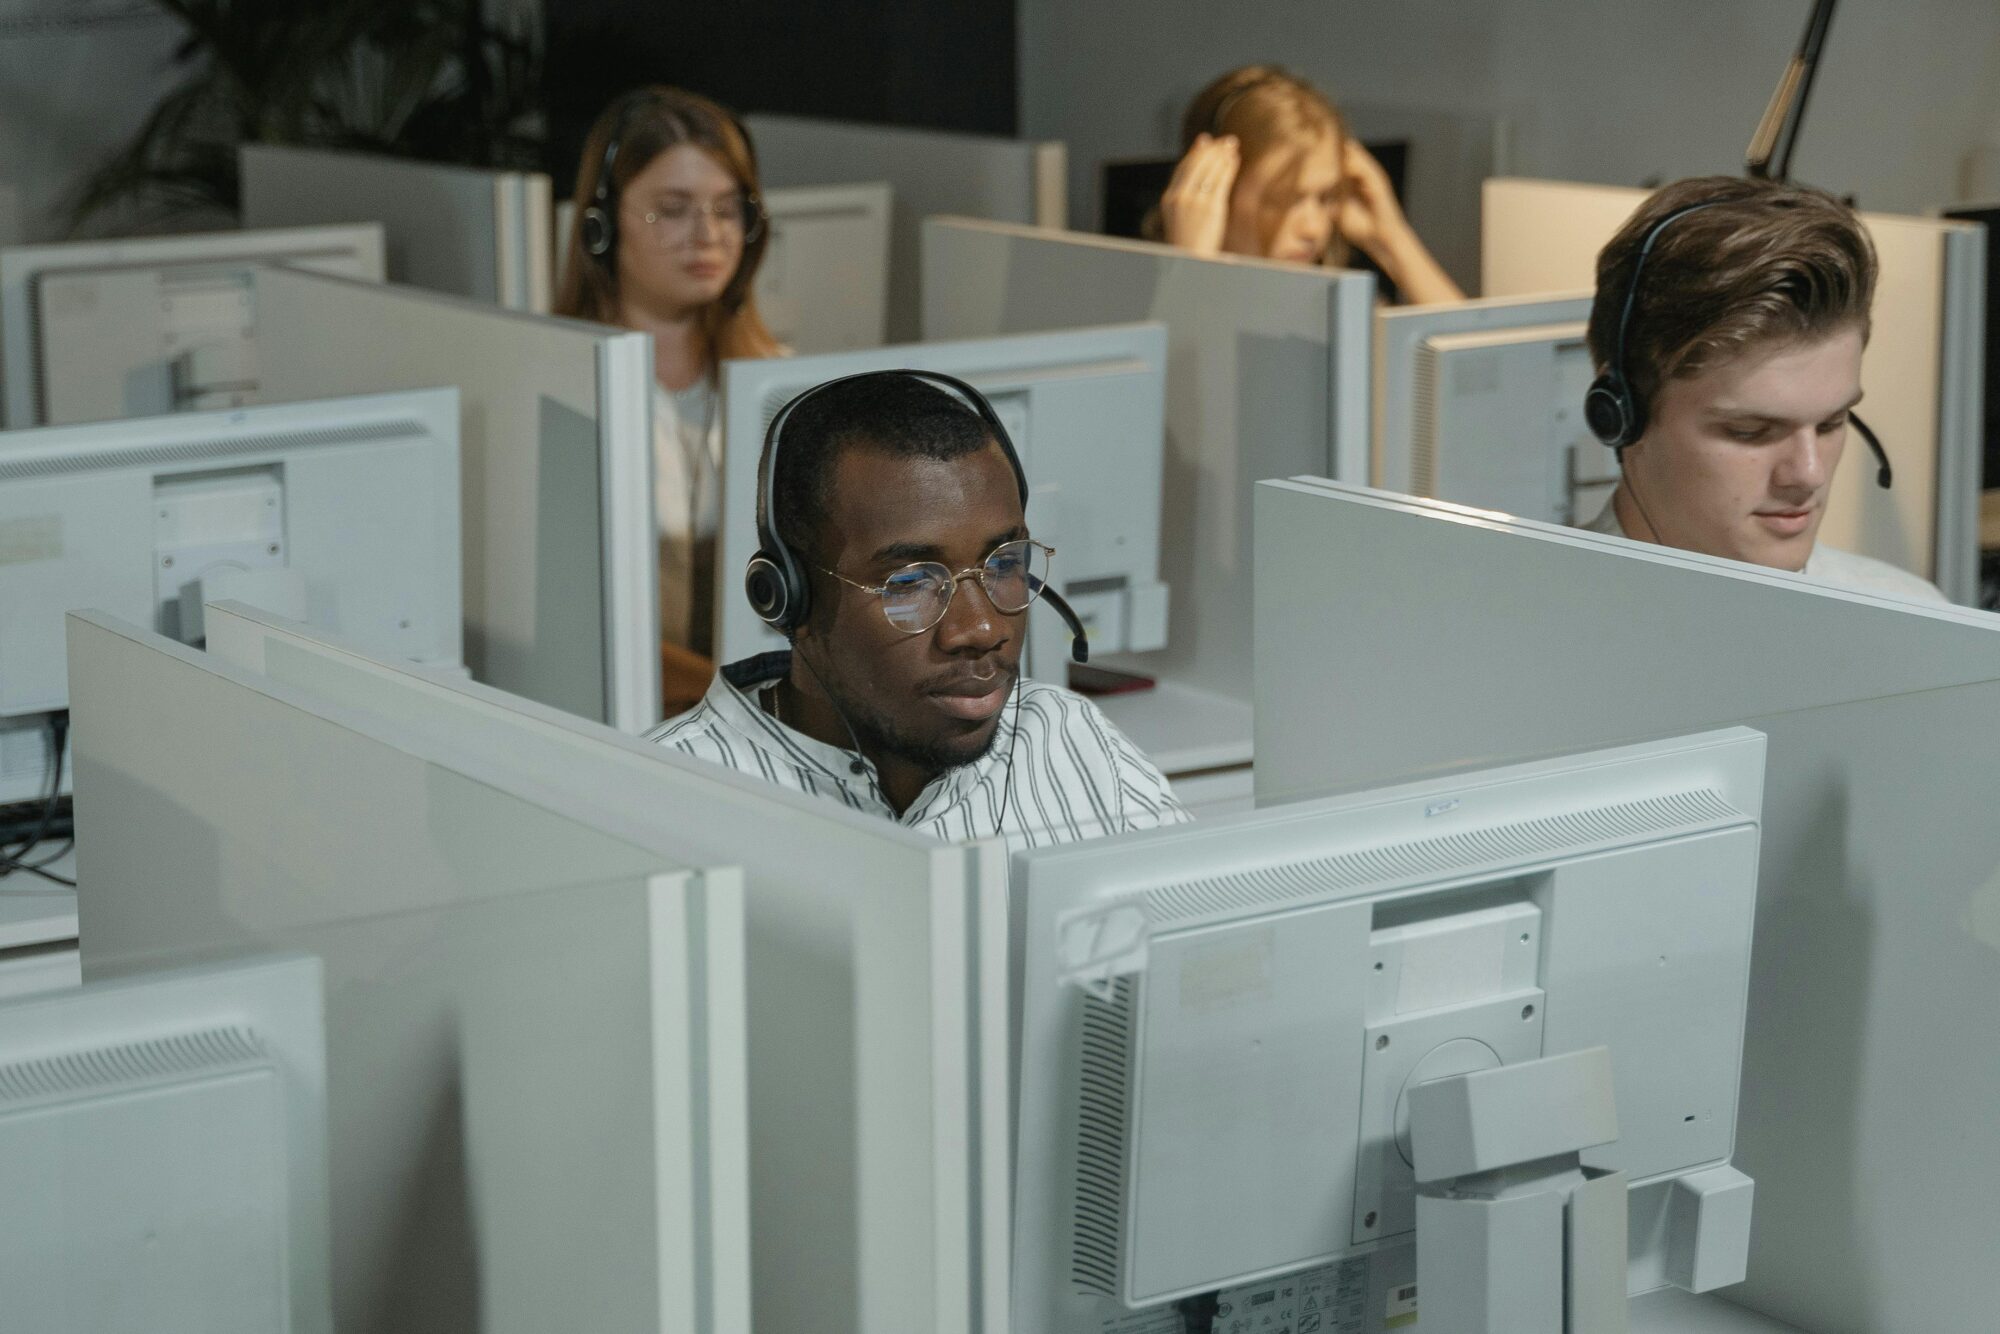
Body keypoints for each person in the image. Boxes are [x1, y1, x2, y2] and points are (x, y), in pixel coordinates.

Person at [647, 371, 1191, 848]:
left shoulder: (1070, 743)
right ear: (788, 598)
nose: (979, 629)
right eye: (910, 583)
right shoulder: (658, 801)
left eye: (1003, 565)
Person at [1579, 175, 1946, 604]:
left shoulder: (1914, 619)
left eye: (1831, 423)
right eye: (1750, 430)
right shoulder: (1508, 639)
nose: (1809, 475)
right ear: (1621, 416)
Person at [556, 87, 786, 669]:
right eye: (674, 209)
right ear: (600, 227)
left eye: (727, 208)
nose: (707, 235)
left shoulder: (777, 382)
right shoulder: (562, 388)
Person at [1151, 65, 1463, 304]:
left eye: (1327, 197)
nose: (1313, 229)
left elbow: (1484, 371)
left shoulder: (1335, 307)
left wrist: (1392, 240)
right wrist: (1191, 268)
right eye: (1284, 200)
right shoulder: (1137, 300)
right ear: (1215, 188)